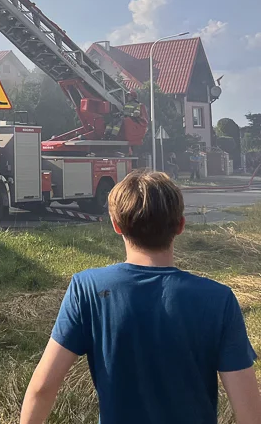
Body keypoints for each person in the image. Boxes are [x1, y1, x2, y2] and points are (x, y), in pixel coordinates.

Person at [20, 171, 260, 424]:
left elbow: (42, 387)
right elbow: (249, 413)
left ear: (116, 225)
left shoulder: (88, 288)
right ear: (180, 225)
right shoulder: (219, 300)